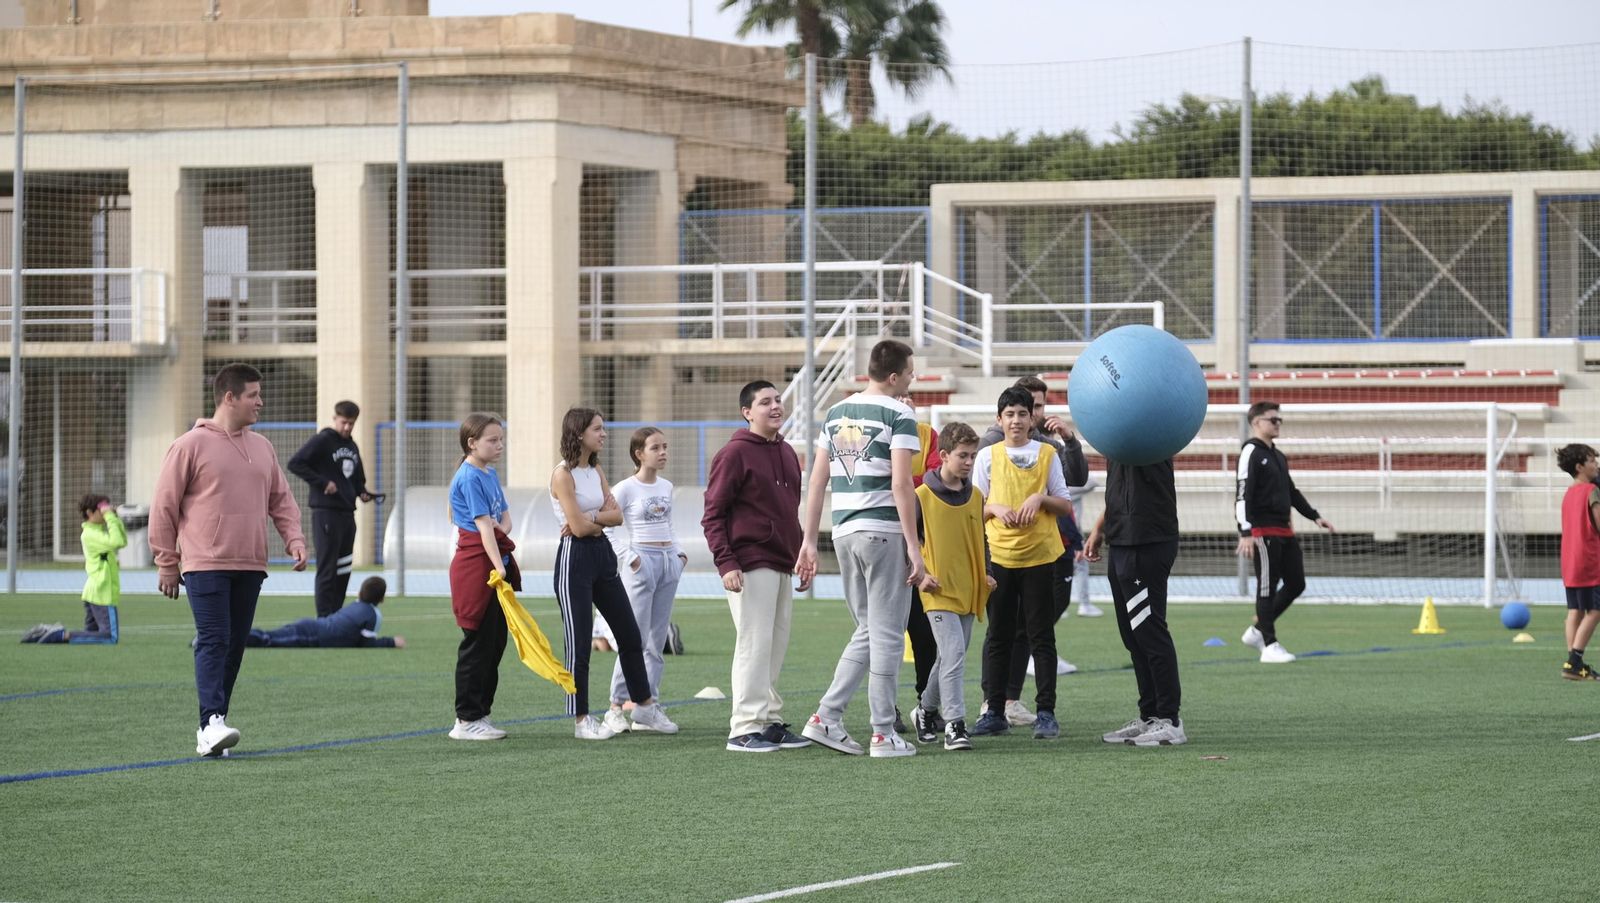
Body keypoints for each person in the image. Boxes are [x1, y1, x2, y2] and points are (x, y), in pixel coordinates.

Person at [150, 362, 308, 758]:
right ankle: (209, 724)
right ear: (230, 397)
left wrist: (295, 539)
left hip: (251, 563)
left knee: (235, 646)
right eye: (253, 395)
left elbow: (281, 501)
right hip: (204, 562)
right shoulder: (189, 445)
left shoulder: (263, 446)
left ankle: (215, 724)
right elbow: (164, 505)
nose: (260, 401)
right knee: (215, 639)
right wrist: (166, 561)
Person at [798, 339, 928, 759]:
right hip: (883, 531)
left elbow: (817, 481)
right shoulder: (900, 412)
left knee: (870, 630)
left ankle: (827, 717)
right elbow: (902, 484)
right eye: (909, 372)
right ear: (894, 376)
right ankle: (882, 733)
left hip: (843, 532)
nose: (913, 379)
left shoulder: (835, 412)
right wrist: (915, 546)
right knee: (887, 635)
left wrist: (808, 540)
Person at [550, 407, 676, 740]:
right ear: (579, 433)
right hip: (574, 561)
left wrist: (593, 519)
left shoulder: (596, 470)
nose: (603, 434)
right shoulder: (563, 474)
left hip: (603, 555)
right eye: (597, 429)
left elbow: (617, 516)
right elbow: (576, 528)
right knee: (578, 645)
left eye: (603, 428)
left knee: (630, 635)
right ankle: (581, 721)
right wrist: (596, 518)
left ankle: (645, 706)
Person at [704, 380, 810, 753]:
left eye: (778, 399)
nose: (775, 406)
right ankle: (743, 728)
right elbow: (713, 515)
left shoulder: (786, 452)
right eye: (765, 402)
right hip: (749, 562)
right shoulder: (733, 454)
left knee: (774, 645)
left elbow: (789, 513)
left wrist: (800, 555)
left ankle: (768, 722)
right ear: (747, 412)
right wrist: (726, 563)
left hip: (782, 560)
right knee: (754, 644)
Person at [978, 375, 1090, 727]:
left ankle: (1045, 713)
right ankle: (994, 710)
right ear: (999, 420)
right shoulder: (987, 456)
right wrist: (994, 509)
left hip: (1041, 557)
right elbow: (971, 510)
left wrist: (1041, 498)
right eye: (1009, 413)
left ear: (1032, 419)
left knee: (1041, 636)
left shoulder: (1047, 453)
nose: (1016, 420)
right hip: (999, 559)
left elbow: (1063, 503)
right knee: (998, 635)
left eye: (1023, 413)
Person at [1082, 455, 1187, 747]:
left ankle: (1170, 720)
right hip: (1122, 539)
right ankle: (1150, 716)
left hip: (1148, 538)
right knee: (1133, 636)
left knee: (1150, 632)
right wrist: (1100, 528)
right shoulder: (1117, 440)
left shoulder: (1151, 432)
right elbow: (1118, 490)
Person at [911, 421, 994, 750]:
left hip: (969, 588)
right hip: (936, 590)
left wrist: (986, 571)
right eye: (963, 456)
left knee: (949, 657)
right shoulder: (921, 496)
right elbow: (908, 539)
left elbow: (982, 539)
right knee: (954, 653)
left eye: (973, 456)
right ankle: (955, 725)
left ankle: (924, 711)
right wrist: (920, 573)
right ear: (943, 455)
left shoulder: (975, 495)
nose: (969, 462)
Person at [601, 427, 689, 734]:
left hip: (668, 564)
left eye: (665, 446)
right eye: (655, 448)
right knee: (633, 638)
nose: (663, 452)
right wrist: (630, 557)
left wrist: (679, 555)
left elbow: (669, 524)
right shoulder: (625, 488)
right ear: (639, 454)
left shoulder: (666, 486)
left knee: (657, 639)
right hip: (641, 562)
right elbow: (606, 527)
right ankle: (615, 706)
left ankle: (646, 707)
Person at [1235, 401, 1335, 664]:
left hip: (1284, 530)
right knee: (1266, 587)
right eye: (1273, 420)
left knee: (1297, 583)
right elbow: (1242, 495)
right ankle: (1269, 645)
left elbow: (1291, 492)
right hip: (1263, 531)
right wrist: (1245, 531)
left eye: (1280, 420)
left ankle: (1258, 631)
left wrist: (1314, 516)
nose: (1278, 424)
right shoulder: (1251, 452)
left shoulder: (1278, 455)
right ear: (1257, 422)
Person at [447, 412, 518, 740]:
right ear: (472, 443)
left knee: (496, 641)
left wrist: (499, 540)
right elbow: (482, 526)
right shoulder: (469, 476)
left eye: (501, 439)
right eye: (492, 440)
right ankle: (466, 719)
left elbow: (504, 521)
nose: (499, 445)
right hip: (478, 568)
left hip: (492, 563)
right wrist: (499, 565)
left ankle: (482, 712)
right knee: (477, 643)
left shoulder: (488, 474)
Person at [287, 400, 376, 618]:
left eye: (351, 423)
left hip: (347, 513)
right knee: (328, 568)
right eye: (344, 422)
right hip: (326, 512)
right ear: (335, 418)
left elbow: (357, 480)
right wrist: (323, 482)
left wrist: (363, 493)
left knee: (344, 568)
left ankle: (336, 616)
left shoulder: (352, 446)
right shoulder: (323, 440)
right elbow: (295, 463)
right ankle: (324, 618)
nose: (347, 427)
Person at [20, 494, 127, 645]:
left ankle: (47, 633)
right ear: (89, 512)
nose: (104, 513)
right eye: (101, 510)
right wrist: (109, 516)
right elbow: (116, 541)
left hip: (96, 592)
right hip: (102, 592)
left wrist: (113, 517)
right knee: (109, 637)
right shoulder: (90, 534)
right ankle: (57, 635)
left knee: (91, 636)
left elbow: (122, 541)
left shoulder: (97, 532)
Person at [898, 390, 941, 737]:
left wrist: (902, 486)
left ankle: (927, 707)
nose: (904, 402)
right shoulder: (873, 434)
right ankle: (886, 709)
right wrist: (906, 488)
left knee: (924, 632)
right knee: (884, 633)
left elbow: (933, 482)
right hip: (881, 542)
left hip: (922, 548)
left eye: (908, 396)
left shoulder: (927, 434)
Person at [244, 576, 405, 648]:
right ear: (382, 599)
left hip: (311, 627)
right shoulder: (373, 615)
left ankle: (238, 638)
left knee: (271, 636)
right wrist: (392, 642)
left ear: (359, 593)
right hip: (313, 636)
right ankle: (237, 639)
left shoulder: (355, 605)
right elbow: (366, 643)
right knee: (269, 640)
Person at [1556, 444, 1600, 681]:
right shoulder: (1591, 491)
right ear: (1580, 467)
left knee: (1575, 611)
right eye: (1592, 461)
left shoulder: (1569, 492)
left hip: (1570, 561)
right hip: (1589, 561)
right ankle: (1574, 661)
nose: (1596, 465)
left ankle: (1575, 663)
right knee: (1595, 611)